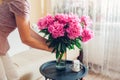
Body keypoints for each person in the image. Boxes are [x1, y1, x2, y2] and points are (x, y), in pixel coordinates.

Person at [0, 0, 52, 80]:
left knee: (13, 76)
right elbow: (26, 39)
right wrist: (50, 49)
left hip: (1, 43)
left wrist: (48, 43)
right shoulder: (20, 3)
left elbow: (28, 30)